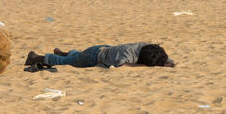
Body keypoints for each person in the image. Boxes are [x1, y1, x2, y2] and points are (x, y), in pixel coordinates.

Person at [25, 43, 175, 68]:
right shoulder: (127, 55)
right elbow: (121, 66)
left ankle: (66, 53)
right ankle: (35, 57)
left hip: (103, 49)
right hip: (94, 56)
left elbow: (165, 58)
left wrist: (165, 63)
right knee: (68, 62)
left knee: (75, 57)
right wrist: (142, 66)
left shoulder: (145, 46)